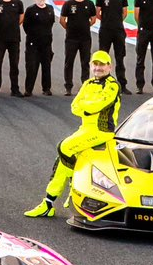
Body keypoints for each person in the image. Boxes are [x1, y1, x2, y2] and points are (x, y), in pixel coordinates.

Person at [25, 50, 123, 218]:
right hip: (85, 129)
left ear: (109, 66)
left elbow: (96, 106)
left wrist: (87, 106)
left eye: (102, 64)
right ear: (91, 66)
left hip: (102, 131)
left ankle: (73, 185)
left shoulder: (113, 85)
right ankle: (48, 202)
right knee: (62, 162)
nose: (98, 68)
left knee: (63, 147)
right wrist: (88, 107)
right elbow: (74, 106)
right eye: (95, 64)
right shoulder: (88, 83)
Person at [58, 0, 97, 96]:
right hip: (71, 39)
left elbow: (93, 19)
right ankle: (68, 87)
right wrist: (70, 29)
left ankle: (85, 85)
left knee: (85, 63)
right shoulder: (68, 4)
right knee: (69, 63)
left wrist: (84, 26)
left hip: (85, 39)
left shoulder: (89, 4)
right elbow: (62, 20)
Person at [95, 0, 130, 93]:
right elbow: (97, 13)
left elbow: (124, 12)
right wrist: (106, 20)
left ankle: (122, 84)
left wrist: (117, 21)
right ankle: (102, 82)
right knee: (104, 58)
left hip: (119, 30)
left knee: (120, 57)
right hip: (105, 30)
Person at [22, 0, 55, 96]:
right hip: (33, 44)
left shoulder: (50, 9)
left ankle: (46, 88)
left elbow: (51, 23)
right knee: (31, 66)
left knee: (46, 66)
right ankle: (28, 89)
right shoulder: (30, 10)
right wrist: (33, 36)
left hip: (46, 43)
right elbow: (25, 25)